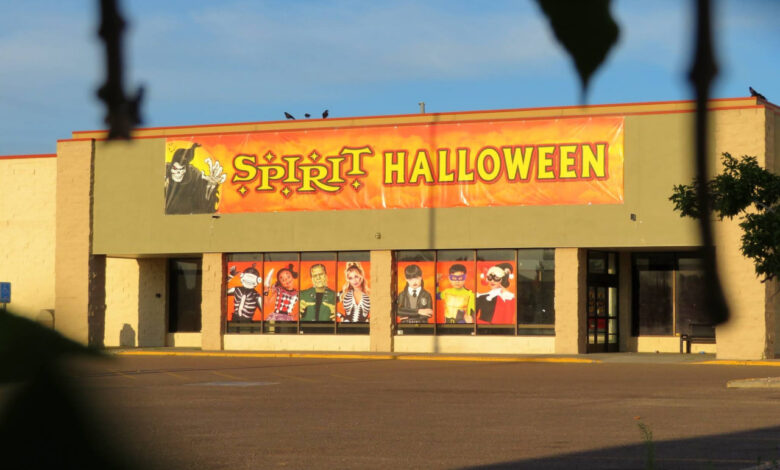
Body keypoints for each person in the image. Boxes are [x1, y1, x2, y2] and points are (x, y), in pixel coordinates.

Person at [164, 143, 226, 214]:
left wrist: (210, 188)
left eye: (182, 169)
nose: (178, 172)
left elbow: (205, 203)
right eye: (175, 168)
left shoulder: (194, 174)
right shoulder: (165, 170)